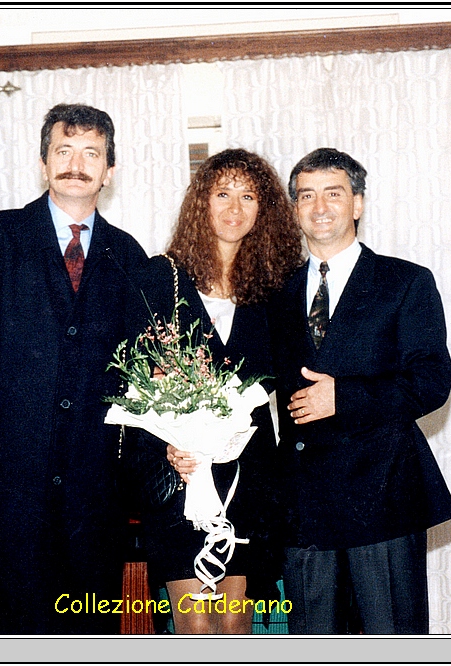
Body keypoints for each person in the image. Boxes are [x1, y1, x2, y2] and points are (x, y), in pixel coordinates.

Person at [0, 103, 147, 634]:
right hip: (7, 485)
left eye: (91, 153)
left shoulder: (129, 256)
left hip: (92, 494)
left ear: (109, 170)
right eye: (64, 150)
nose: (77, 163)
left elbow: (142, 375)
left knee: (84, 631)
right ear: (43, 163)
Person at [267, 148, 451, 634]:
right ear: (294, 210)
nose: (320, 207)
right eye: (306, 196)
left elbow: (433, 380)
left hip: (383, 498)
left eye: (334, 193)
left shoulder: (406, 281)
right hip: (303, 507)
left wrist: (344, 397)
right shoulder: (275, 293)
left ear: (357, 204)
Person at [131, 148, 304, 633]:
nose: (234, 207)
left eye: (248, 196)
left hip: (248, 477)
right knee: (197, 628)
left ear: (263, 208)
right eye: (222, 193)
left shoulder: (272, 289)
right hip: (180, 477)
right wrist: (166, 445)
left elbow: (280, 383)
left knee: (234, 626)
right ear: (200, 204)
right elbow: (130, 387)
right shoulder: (158, 278)